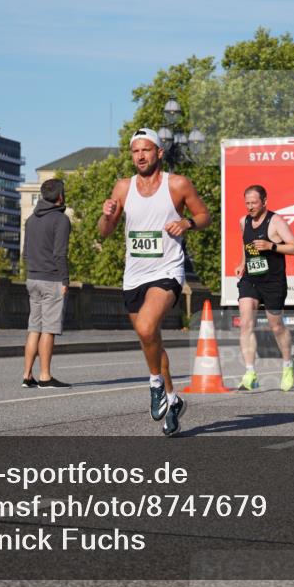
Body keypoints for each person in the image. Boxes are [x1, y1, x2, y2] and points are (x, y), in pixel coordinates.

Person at [98, 128, 210, 436]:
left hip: (167, 271)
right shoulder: (123, 187)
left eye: (146, 150)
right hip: (133, 275)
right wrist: (106, 215)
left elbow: (204, 216)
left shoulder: (177, 184)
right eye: (135, 152)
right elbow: (105, 231)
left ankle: (156, 385)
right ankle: (173, 400)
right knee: (151, 341)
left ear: (159, 153)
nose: (140, 156)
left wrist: (186, 222)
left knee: (147, 328)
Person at [235, 185, 294, 392]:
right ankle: (249, 372)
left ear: (264, 201)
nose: (250, 207)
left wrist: (271, 246)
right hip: (251, 279)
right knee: (246, 323)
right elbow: (246, 246)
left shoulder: (276, 222)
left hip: (273, 281)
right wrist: (242, 263)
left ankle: (288, 365)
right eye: (247, 203)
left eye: (254, 203)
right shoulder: (243, 221)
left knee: (276, 326)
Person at [22, 178, 72, 389]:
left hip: (32, 278)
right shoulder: (61, 220)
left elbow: (25, 253)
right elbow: (59, 253)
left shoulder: (31, 220)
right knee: (48, 330)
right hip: (52, 279)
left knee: (34, 328)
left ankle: (27, 376)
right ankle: (45, 376)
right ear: (60, 196)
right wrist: (65, 279)